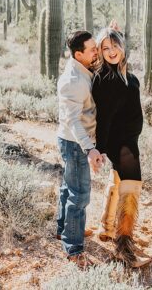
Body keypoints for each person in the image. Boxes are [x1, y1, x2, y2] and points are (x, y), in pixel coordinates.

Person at [92, 25, 152, 267]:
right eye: (105, 48)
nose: (111, 51)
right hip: (122, 145)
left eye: (114, 45)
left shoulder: (126, 74)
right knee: (131, 186)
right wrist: (101, 148)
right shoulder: (105, 78)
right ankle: (124, 250)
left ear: (123, 46)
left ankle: (106, 226)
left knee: (118, 180)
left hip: (129, 141)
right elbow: (104, 117)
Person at [55, 30, 101, 268]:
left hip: (73, 140)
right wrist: (89, 149)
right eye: (92, 49)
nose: (97, 52)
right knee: (79, 194)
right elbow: (73, 122)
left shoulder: (82, 67)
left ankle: (62, 229)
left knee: (67, 186)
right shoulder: (73, 81)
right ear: (78, 54)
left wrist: (111, 33)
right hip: (75, 142)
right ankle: (73, 247)